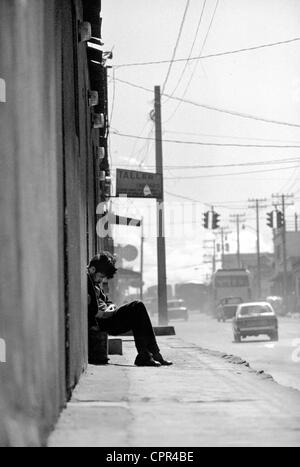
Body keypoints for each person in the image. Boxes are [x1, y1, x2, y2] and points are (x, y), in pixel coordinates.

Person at [87, 252, 172, 367]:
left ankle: (148, 354)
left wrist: (110, 307)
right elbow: (93, 311)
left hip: (109, 317)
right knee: (137, 307)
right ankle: (151, 354)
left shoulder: (95, 283)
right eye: (101, 276)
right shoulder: (87, 282)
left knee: (138, 313)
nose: (101, 280)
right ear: (92, 269)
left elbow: (108, 302)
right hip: (102, 321)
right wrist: (105, 312)